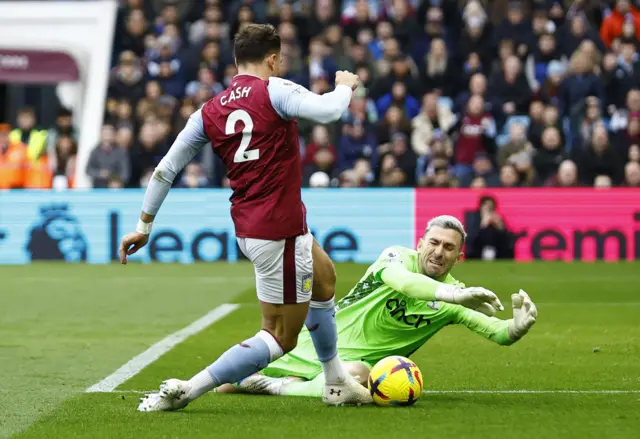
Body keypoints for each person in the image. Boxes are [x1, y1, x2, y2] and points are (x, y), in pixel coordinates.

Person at [120, 23, 395, 412]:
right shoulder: (276, 90)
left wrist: (143, 227)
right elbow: (332, 110)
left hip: (259, 224)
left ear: (235, 62)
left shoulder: (209, 111)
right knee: (280, 337)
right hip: (277, 232)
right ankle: (187, 390)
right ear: (272, 59)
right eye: (278, 60)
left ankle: (336, 382)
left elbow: (165, 169)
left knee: (325, 277)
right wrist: (346, 84)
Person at [215, 216, 538, 398]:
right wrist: (452, 295)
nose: (439, 252)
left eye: (449, 248)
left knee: (359, 377)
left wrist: (515, 327)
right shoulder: (395, 258)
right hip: (307, 346)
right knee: (223, 386)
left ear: (459, 257)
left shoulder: (455, 297)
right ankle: (283, 382)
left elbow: (497, 332)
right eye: (434, 243)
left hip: (349, 367)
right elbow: (405, 283)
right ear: (420, 244)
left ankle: (275, 387)